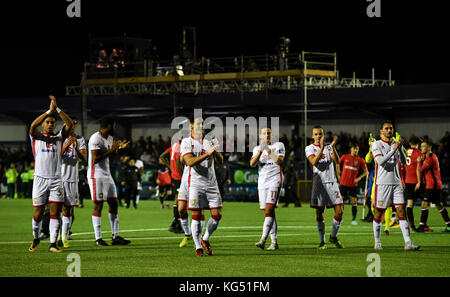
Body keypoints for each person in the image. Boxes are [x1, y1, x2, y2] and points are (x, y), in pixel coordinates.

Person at [28, 95, 73, 253]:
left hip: (56, 180)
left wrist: (57, 110)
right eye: (47, 122)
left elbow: (69, 124)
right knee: (38, 212)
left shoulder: (59, 137)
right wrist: (48, 111)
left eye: (52, 122)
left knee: (55, 212)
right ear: (44, 124)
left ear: (55, 125)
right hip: (40, 179)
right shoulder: (36, 137)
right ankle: (35, 238)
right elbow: (33, 126)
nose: (50, 124)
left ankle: (53, 244)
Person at [371, 120, 420, 250]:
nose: (389, 131)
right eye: (386, 128)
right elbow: (380, 161)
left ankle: (408, 243)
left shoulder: (395, 144)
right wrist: (393, 149)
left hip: (397, 183)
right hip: (382, 183)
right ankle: (377, 242)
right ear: (381, 131)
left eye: (391, 128)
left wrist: (401, 149)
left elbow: (404, 162)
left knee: (401, 211)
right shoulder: (376, 144)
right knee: (378, 213)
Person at [180, 116, 222, 257]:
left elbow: (220, 160)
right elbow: (190, 162)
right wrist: (206, 155)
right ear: (191, 127)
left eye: (202, 123)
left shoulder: (210, 139)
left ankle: (205, 239)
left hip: (212, 183)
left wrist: (215, 152)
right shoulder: (186, 142)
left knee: (217, 215)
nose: (200, 126)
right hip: (196, 184)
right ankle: (198, 247)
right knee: (196, 217)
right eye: (198, 124)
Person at [88, 116, 131, 246]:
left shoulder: (110, 138)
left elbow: (109, 158)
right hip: (97, 175)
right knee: (99, 205)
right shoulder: (96, 138)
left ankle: (115, 236)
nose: (115, 128)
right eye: (114, 125)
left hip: (107, 174)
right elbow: (95, 159)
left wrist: (117, 150)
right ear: (109, 125)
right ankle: (98, 238)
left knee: (114, 203)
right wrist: (111, 150)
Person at [305, 126, 344, 250]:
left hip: (332, 182)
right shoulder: (309, 148)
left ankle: (333, 236)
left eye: (320, 134)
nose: (319, 136)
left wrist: (332, 147)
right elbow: (313, 162)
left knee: (340, 211)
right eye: (316, 134)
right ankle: (322, 242)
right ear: (312, 136)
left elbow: (337, 161)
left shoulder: (328, 147)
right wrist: (322, 148)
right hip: (320, 184)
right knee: (319, 212)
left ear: (324, 135)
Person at [250, 127, 285, 251]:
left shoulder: (279, 145)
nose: (267, 135)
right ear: (260, 136)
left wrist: (268, 150)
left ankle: (263, 239)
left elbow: (279, 161)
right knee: (270, 212)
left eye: (269, 133)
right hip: (262, 183)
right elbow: (252, 163)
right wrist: (261, 150)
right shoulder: (256, 149)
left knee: (269, 209)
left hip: (275, 180)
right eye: (264, 133)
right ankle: (274, 242)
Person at [59, 118, 87, 248]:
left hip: (72, 179)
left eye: (74, 125)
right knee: (54, 208)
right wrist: (65, 146)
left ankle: (64, 237)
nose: (71, 127)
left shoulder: (80, 139)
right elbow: (54, 156)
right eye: (69, 124)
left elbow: (84, 158)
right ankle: (54, 236)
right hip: (58, 178)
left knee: (68, 209)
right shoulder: (59, 137)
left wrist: (75, 148)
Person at [415, 140, 450, 232]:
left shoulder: (430, 158)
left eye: (423, 146)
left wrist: (419, 162)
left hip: (432, 185)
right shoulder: (428, 157)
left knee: (424, 203)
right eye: (421, 146)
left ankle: (422, 226)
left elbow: (421, 169)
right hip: (433, 184)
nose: (421, 148)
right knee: (439, 205)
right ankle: (449, 225)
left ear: (429, 148)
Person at [338, 142, 369, 225]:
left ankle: (354, 219)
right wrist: (338, 174)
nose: (355, 150)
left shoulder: (360, 160)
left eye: (357, 149)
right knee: (341, 201)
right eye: (354, 148)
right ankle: (340, 218)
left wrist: (359, 178)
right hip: (343, 183)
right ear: (351, 149)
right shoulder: (345, 157)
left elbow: (366, 172)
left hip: (353, 185)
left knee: (354, 201)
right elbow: (337, 163)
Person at [159, 138, 184, 233]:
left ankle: (176, 222)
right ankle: (175, 223)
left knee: (179, 199)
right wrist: (183, 176)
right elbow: (178, 161)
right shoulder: (181, 146)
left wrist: (170, 168)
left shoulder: (174, 146)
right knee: (179, 200)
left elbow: (162, 156)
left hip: (175, 176)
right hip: (179, 177)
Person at [403, 136, 423, 231]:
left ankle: (411, 226)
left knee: (409, 205)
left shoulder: (405, 151)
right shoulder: (419, 153)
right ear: (418, 144)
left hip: (407, 181)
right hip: (417, 182)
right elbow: (419, 168)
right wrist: (419, 182)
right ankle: (423, 225)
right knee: (425, 203)